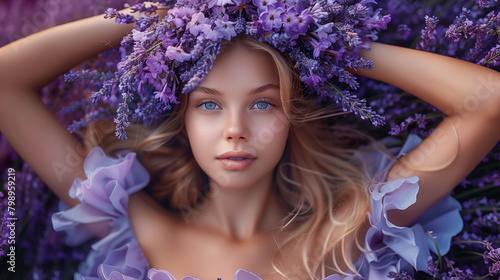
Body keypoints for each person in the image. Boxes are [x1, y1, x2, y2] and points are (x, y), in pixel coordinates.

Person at [0, 1, 498, 279]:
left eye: (263, 103)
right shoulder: (136, 235)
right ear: (185, 120)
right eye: (209, 104)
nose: (235, 128)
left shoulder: (340, 238)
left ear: (293, 118)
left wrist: (325, 42)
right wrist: (150, 25)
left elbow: (489, 101)